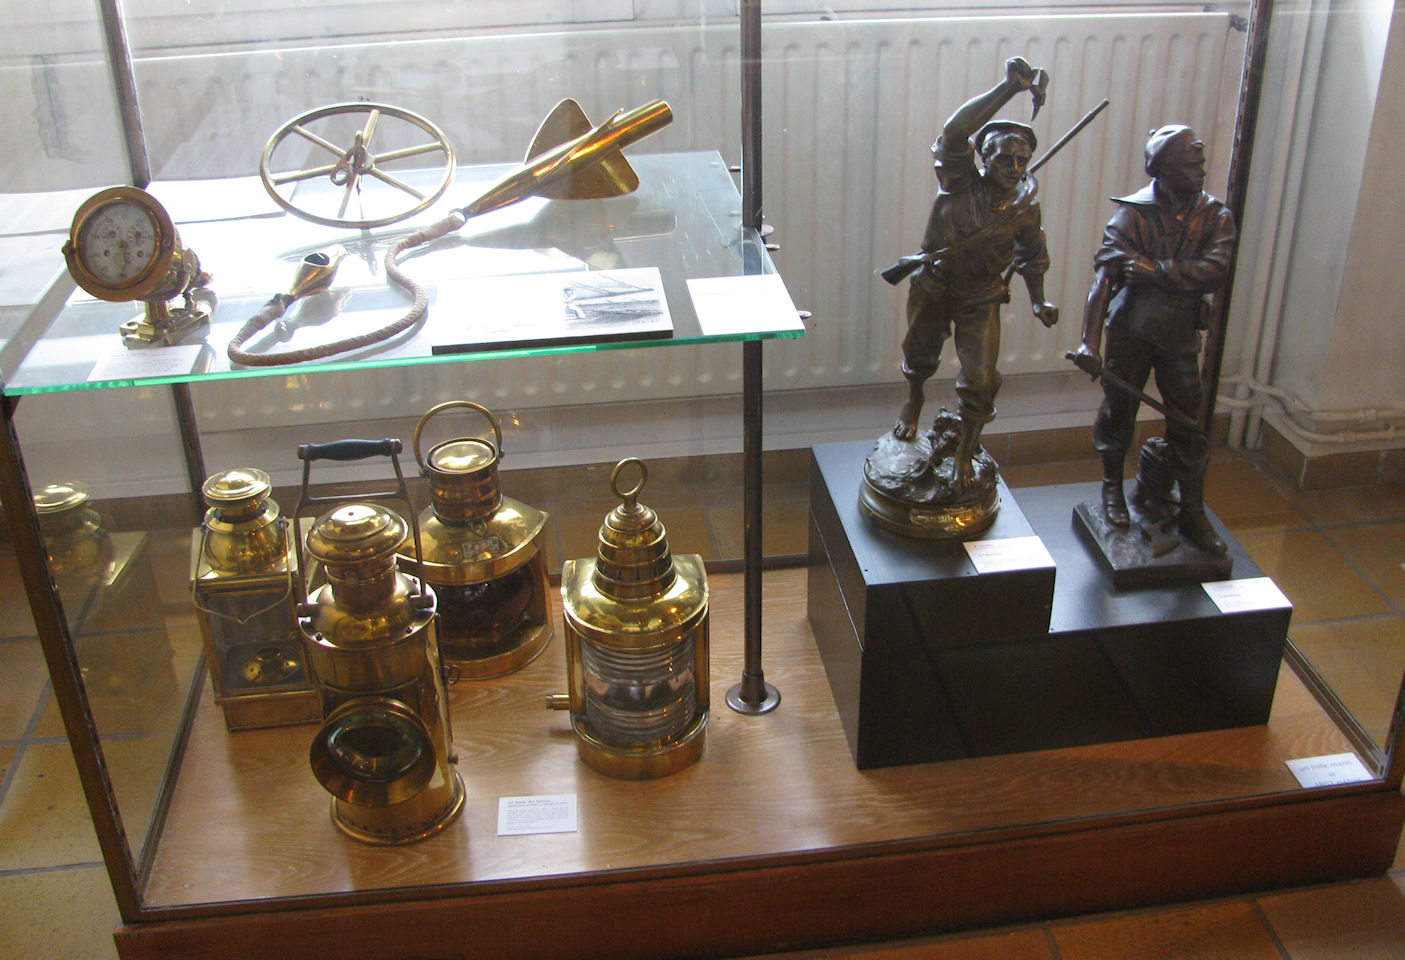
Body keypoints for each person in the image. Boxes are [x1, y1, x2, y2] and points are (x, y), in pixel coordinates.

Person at [892, 56, 1059, 490]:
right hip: (934, 284)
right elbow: (954, 132)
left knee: (982, 379)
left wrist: (1039, 299)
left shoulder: (1026, 207)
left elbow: (1033, 254)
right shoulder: (960, 181)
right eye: (1005, 160)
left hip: (981, 295)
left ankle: (966, 449)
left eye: (1021, 161)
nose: (1015, 169)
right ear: (984, 159)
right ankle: (914, 400)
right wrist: (1009, 88)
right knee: (919, 354)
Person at [1071, 124, 1236, 554]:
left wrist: (1154, 271)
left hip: (1179, 335)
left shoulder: (1215, 216)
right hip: (1132, 331)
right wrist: (1089, 342)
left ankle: (1193, 509)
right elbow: (1104, 282)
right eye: (1190, 165)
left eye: (1201, 163)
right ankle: (1112, 487)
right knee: (1118, 412)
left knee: (1188, 423)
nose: (1200, 171)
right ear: (1161, 168)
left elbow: (1214, 271)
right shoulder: (1131, 216)